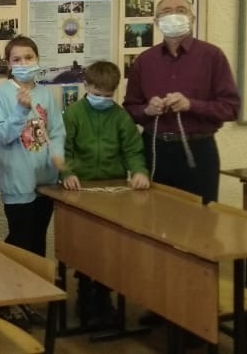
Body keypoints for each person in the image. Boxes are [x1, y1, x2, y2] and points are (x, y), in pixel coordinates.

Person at [124, 0, 240, 205]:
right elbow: (130, 108)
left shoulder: (212, 56)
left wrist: (191, 105)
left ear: (192, 18)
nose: (174, 15)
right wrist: (147, 110)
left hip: (198, 151)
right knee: (152, 214)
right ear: (157, 21)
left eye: (181, 10)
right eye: (166, 12)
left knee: (200, 216)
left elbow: (231, 108)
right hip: (155, 149)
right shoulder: (145, 61)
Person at [60, 61, 149, 328]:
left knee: (109, 247)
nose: (103, 100)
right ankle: (85, 296)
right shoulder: (73, 114)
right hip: (82, 189)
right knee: (86, 246)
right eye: (97, 95)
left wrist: (139, 171)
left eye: (108, 96)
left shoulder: (120, 116)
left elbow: (132, 149)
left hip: (113, 190)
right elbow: (64, 147)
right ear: (86, 86)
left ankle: (104, 296)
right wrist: (67, 173)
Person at [0, 36, 64, 257]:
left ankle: (39, 280)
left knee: (38, 244)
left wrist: (57, 154)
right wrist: (21, 110)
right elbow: (1, 135)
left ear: (37, 59)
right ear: (8, 64)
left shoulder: (45, 93)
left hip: (46, 182)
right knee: (21, 245)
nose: (23, 63)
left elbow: (57, 132)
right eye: (17, 59)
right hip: (18, 184)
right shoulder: (1, 93)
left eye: (29, 57)